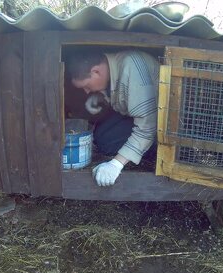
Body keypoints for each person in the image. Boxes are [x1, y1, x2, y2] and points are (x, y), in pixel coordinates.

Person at [67, 50, 160, 187]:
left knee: (108, 143)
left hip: (158, 124)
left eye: (86, 86)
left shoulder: (131, 67)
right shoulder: (114, 65)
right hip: (135, 116)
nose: (86, 91)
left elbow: (147, 127)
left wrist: (116, 164)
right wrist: (101, 96)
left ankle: (153, 148)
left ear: (96, 72)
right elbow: (121, 92)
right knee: (101, 137)